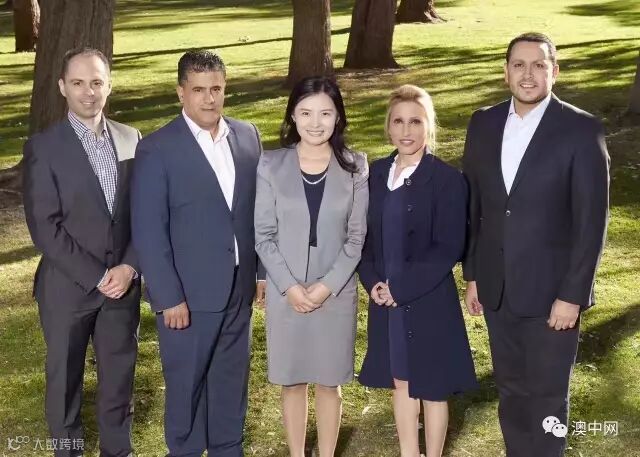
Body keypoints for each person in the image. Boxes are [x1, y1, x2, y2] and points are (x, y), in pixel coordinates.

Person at [462, 32, 610, 457]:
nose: (528, 74)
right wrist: (473, 275)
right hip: (497, 289)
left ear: (554, 71)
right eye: (519, 65)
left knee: (547, 399)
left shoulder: (581, 129)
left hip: (553, 296)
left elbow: (591, 223)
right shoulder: (483, 122)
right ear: (506, 72)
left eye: (538, 65)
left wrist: (572, 295)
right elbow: (474, 205)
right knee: (511, 394)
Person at [131, 50, 265, 456]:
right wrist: (168, 296)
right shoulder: (157, 149)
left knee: (230, 387)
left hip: (239, 291)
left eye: (216, 89)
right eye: (199, 90)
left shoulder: (247, 136)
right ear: (181, 93)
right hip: (187, 298)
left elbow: (258, 212)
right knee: (186, 391)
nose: (209, 98)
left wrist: (259, 273)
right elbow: (149, 231)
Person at [23, 47, 141, 457]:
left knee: (119, 383)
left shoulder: (131, 139)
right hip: (67, 289)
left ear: (109, 86)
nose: (88, 92)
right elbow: (45, 227)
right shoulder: (44, 147)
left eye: (96, 82)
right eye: (78, 83)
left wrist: (129, 267)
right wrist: (97, 275)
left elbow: (143, 214)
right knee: (64, 386)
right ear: (62, 87)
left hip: (122, 287)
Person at [358, 84, 478, 457]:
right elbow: (363, 239)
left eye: (416, 121)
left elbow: (448, 247)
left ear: (429, 126)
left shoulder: (446, 179)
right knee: (401, 381)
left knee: (432, 388)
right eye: (399, 122)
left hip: (428, 299)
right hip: (386, 301)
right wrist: (373, 282)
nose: (406, 130)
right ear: (388, 127)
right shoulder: (375, 174)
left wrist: (402, 289)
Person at [254, 76, 368, 457]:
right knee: (292, 381)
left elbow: (356, 238)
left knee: (329, 382)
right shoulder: (270, 164)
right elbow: (263, 235)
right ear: (292, 115)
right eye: (305, 113)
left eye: (325, 113)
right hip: (287, 291)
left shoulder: (356, 166)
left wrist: (325, 287)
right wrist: (290, 287)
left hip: (335, 292)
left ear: (338, 117)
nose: (315, 123)